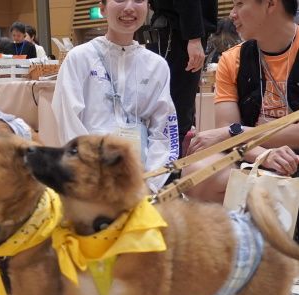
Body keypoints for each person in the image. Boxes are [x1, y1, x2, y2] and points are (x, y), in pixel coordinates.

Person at [52, 0, 178, 193]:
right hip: (90, 181)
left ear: (148, 7)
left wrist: (151, 182)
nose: (129, 7)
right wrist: (88, 174)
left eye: (138, 0)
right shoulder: (79, 58)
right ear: (102, 8)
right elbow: (68, 122)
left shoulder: (157, 65)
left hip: (140, 180)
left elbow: (163, 129)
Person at [183, 0, 299, 202]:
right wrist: (264, 155)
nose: (232, 14)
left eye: (239, 4)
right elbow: (227, 133)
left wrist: (239, 132)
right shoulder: (231, 59)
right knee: (196, 172)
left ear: (271, 4)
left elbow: (229, 132)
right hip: (255, 157)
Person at [148, 0, 218, 154]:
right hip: (178, 30)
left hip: (174, 28)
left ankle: (174, 159)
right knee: (179, 105)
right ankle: (174, 163)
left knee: (179, 105)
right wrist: (194, 37)